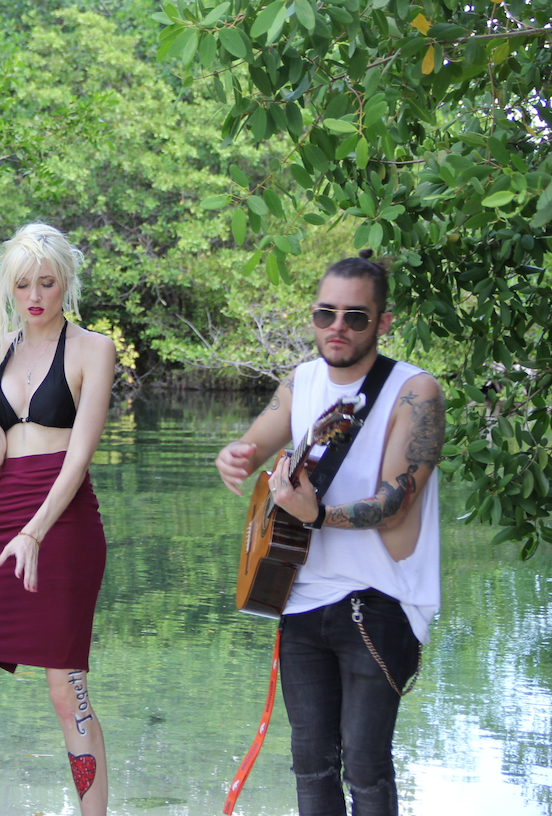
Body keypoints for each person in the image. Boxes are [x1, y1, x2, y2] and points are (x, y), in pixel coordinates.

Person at [214, 251, 444, 816]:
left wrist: (318, 516)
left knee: (366, 767)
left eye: (355, 316)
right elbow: (254, 447)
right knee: (310, 766)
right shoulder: (302, 381)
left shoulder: (416, 392)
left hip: (379, 602)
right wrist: (234, 456)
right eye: (325, 313)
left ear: (383, 322)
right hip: (299, 599)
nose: (337, 327)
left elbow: (394, 505)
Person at [0, 223, 116, 816]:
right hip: (3, 518)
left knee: (66, 693)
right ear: (8, 286)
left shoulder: (94, 349)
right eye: (24, 284)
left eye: (47, 283)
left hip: (65, 521)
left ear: (66, 283)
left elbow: (79, 458)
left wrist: (35, 531)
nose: (35, 296)